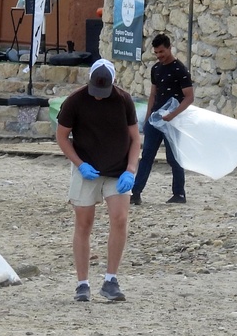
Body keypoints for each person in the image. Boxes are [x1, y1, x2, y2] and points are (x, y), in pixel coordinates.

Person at [56, 59, 141, 302]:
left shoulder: (124, 100)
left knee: (120, 218)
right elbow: (62, 137)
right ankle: (82, 283)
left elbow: (135, 138)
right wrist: (80, 164)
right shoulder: (75, 100)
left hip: (117, 170)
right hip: (87, 169)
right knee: (84, 223)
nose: (99, 97)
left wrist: (131, 169)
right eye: (96, 92)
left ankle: (110, 279)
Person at [130, 33, 194, 205]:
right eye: (156, 53)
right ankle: (136, 193)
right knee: (147, 156)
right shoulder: (156, 69)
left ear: (169, 48)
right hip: (155, 119)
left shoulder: (180, 69)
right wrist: (148, 115)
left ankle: (179, 193)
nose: (159, 56)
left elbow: (189, 97)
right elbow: (153, 93)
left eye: (162, 52)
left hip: (173, 121)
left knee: (174, 158)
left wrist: (173, 115)